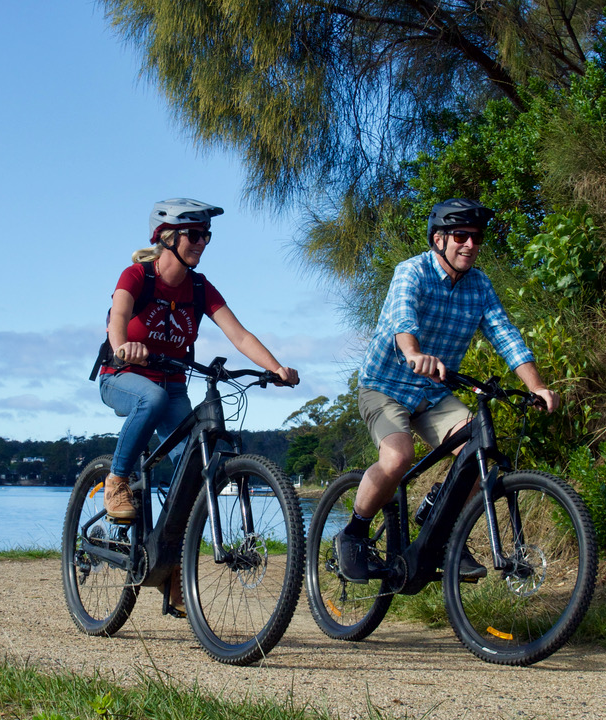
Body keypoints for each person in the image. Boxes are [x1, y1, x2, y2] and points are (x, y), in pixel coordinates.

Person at [333, 198, 560, 582]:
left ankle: (443, 524)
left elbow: (505, 335)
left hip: (434, 394)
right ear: (438, 238)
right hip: (385, 386)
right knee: (396, 458)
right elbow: (403, 316)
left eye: (476, 238)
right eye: (460, 236)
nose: (469, 245)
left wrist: (536, 386)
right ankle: (354, 533)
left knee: (478, 456)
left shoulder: (480, 285)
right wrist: (413, 352)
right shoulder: (412, 272)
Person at [95, 197, 299, 615]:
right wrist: (122, 349)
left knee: (193, 467)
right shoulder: (137, 276)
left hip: (173, 387)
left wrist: (275, 368)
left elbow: (238, 334)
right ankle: (116, 480)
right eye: (194, 234)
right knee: (148, 399)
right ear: (167, 237)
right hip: (122, 377)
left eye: (206, 235)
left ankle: (173, 575)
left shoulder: (201, 288)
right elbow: (118, 316)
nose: (202, 242)